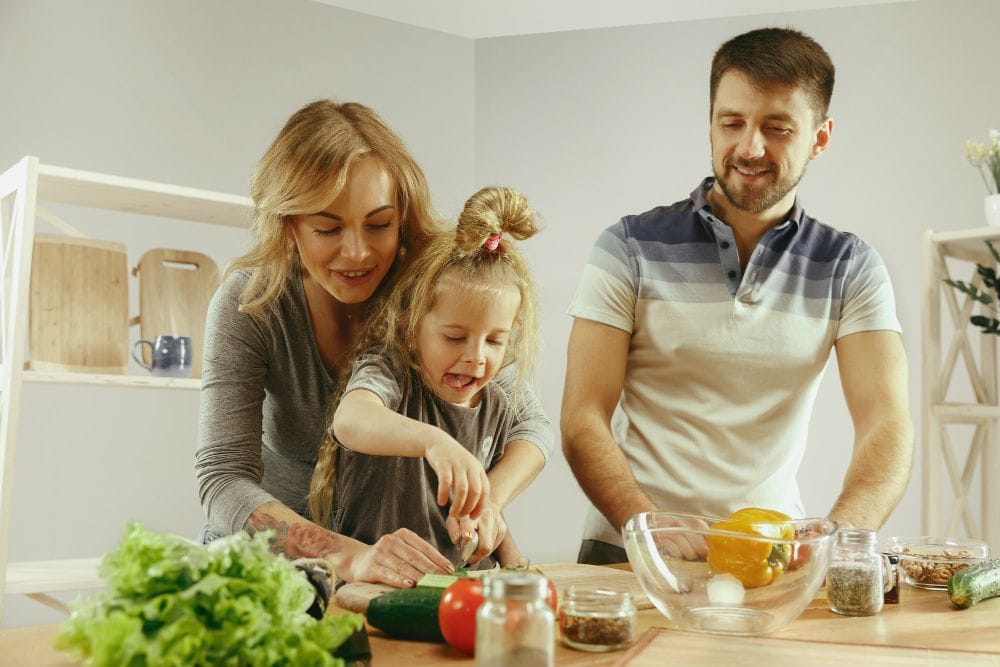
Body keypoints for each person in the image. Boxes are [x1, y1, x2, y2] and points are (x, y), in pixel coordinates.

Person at [561, 27, 914, 566]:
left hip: (772, 558)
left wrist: (840, 534)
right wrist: (644, 520)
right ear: (710, 123)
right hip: (629, 552)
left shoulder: (851, 266)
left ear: (819, 137)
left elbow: (886, 421)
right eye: (732, 123)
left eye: (777, 128)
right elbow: (582, 415)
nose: (750, 147)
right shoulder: (627, 246)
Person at [195, 100, 551, 587]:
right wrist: (349, 557)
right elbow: (222, 479)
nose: (358, 252)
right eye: (327, 228)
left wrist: (483, 498)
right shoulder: (251, 304)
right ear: (287, 223)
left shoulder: (434, 286)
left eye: (379, 224)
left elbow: (529, 425)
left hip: (391, 576)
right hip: (272, 569)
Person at [307, 186, 541, 571]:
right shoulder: (391, 372)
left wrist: (510, 555)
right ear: (410, 325)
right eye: (454, 337)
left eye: (495, 340)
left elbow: (484, 499)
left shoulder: (497, 403)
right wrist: (433, 441)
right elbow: (350, 420)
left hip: (460, 585)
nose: (476, 357)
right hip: (379, 579)